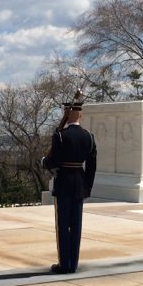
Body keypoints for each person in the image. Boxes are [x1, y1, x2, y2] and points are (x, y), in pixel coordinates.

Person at [42, 101, 97, 274]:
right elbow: (92, 166)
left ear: (67, 114)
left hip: (64, 182)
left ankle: (64, 264)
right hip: (79, 183)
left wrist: (44, 162)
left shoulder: (60, 135)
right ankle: (73, 264)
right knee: (76, 225)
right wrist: (87, 187)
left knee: (63, 224)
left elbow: (55, 161)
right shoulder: (89, 137)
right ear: (80, 115)